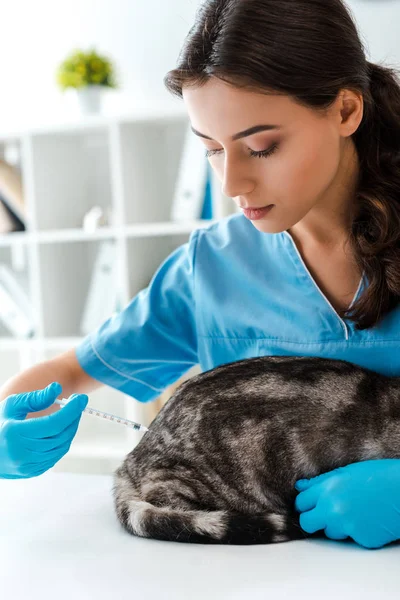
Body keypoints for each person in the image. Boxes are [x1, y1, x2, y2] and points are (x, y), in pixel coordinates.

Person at [1, 0, 400, 549]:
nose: (232, 184)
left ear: (346, 111)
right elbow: (68, 373)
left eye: (262, 147)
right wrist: (9, 429)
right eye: (211, 149)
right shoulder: (213, 265)